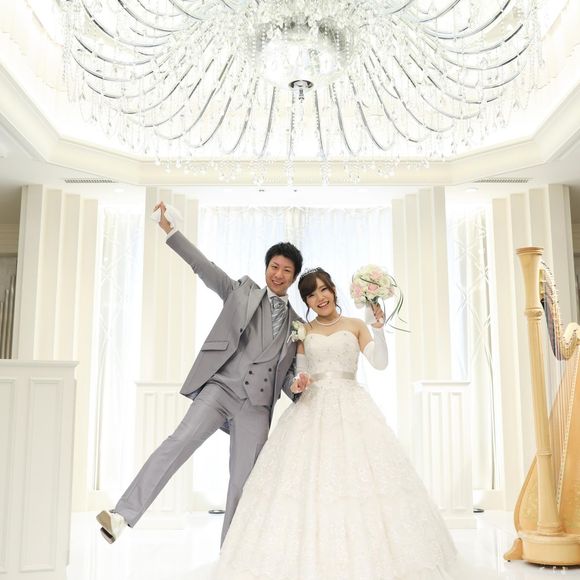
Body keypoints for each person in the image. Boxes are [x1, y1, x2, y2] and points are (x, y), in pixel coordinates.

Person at [215, 267, 462, 580]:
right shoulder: (303, 330)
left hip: (352, 406)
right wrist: (298, 383)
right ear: (306, 301)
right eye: (311, 294)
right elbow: (300, 373)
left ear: (333, 290)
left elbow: (380, 363)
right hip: (312, 408)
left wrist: (379, 328)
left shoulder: (356, 325)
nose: (319, 298)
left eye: (323, 289)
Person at [97, 202, 304, 546]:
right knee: (178, 442)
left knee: (242, 482)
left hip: (256, 408)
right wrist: (171, 230)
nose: (278, 274)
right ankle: (122, 515)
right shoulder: (241, 291)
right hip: (221, 388)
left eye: (286, 270)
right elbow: (203, 266)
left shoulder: (298, 325)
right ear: (266, 267)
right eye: (274, 266)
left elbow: (287, 376)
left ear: (293, 278)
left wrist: (297, 385)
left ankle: (232, 555)